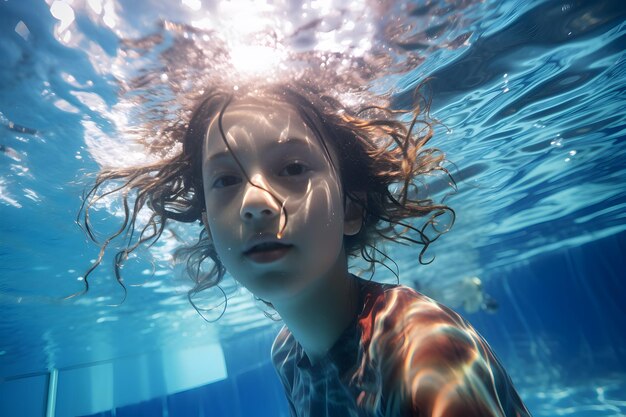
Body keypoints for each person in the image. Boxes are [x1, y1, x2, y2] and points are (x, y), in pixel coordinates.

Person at [81, 81, 530, 416]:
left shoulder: (420, 351)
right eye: (225, 180)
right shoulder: (289, 356)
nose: (255, 202)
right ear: (209, 228)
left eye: (293, 168)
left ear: (352, 208)